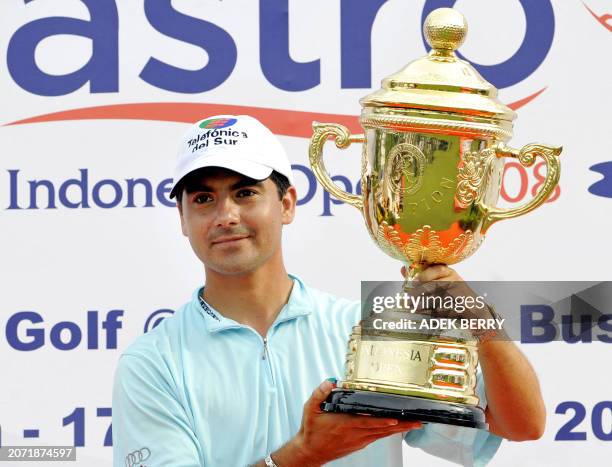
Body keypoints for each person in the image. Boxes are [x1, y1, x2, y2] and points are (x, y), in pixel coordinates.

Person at [112, 115, 545, 467]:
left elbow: (522, 424)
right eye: (203, 199)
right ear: (182, 219)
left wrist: (481, 323)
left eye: (245, 193)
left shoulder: (368, 329)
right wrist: (302, 455)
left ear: (286, 205)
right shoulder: (154, 363)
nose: (226, 215)